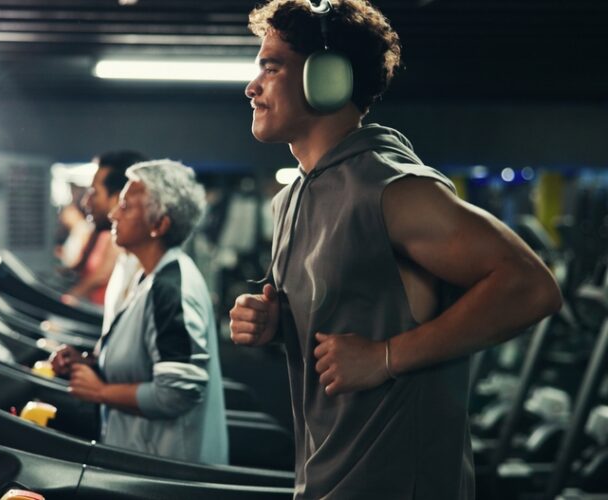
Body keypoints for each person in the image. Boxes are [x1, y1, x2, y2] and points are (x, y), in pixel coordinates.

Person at [229, 1, 562, 498]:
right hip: (325, 479)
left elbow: (531, 287)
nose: (252, 86)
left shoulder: (390, 186)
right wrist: (276, 324)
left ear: (328, 78)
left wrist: (385, 356)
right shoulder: (292, 199)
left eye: (271, 67)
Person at [52, 159, 229, 465]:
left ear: (159, 225)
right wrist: (90, 363)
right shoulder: (148, 276)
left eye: (126, 207)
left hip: (167, 472)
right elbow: (145, 359)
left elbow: (177, 392)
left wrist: (101, 392)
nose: (113, 214)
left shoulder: (171, 289)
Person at [63, 150, 147, 305]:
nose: (85, 202)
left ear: (121, 198)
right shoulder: (125, 258)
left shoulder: (147, 271)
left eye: (94, 193)